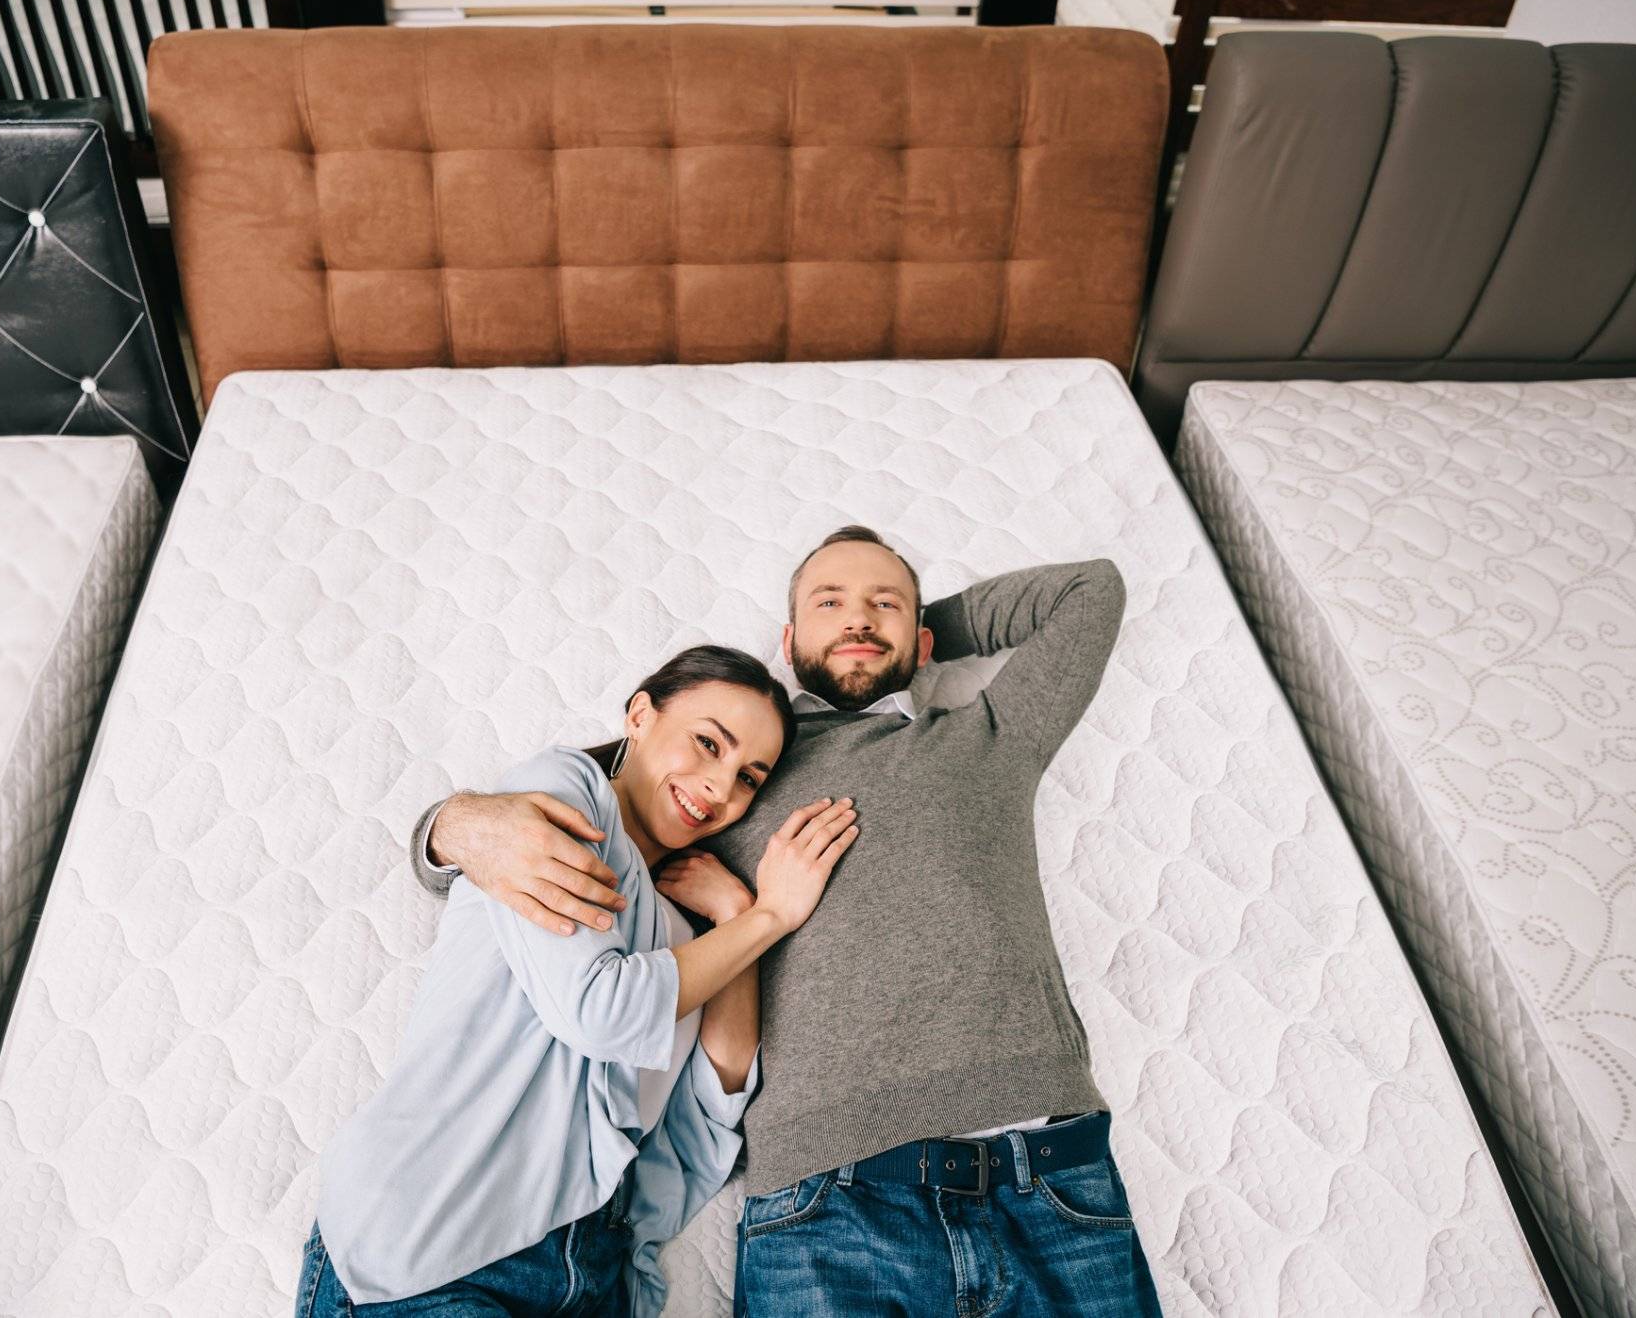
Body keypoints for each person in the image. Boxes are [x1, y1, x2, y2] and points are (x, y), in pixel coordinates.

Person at [412, 526, 1161, 1316]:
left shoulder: (988, 741)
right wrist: (446, 830)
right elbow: (561, 823)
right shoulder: (731, 772)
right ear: (788, 637)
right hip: (826, 1191)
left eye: (886, 605)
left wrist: (907, 634)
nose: (858, 619)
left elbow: (1093, 591)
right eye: (829, 603)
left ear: (925, 634)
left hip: (1042, 1167)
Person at [302, 646, 860, 1316]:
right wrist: (770, 915)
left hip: (594, 1279)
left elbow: (716, 1099)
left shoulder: (686, 939)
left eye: (748, 778)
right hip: (436, 1252)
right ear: (640, 715)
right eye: (708, 743)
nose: (719, 786)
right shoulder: (563, 796)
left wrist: (735, 914)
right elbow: (600, 1010)